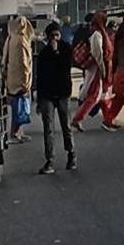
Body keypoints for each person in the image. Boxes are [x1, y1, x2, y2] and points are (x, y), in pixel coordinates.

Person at [36, 22, 77, 174]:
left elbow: (64, 68)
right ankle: (50, 160)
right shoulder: (43, 54)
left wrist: (56, 52)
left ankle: (71, 154)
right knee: (48, 129)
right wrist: (39, 100)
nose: (55, 38)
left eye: (57, 35)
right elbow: (39, 77)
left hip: (62, 94)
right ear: (47, 37)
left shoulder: (66, 49)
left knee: (66, 126)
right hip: (47, 95)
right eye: (52, 36)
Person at [71, 12, 112, 132]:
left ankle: (108, 120)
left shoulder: (99, 33)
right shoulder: (96, 35)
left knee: (104, 96)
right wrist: (103, 69)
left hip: (98, 69)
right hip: (96, 70)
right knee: (94, 96)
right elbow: (97, 54)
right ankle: (77, 119)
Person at [1, 16, 34, 143]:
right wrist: (26, 81)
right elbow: (24, 63)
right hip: (20, 79)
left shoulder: (11, 38)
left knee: (16, 106)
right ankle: (15, 133)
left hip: (11, 78)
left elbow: (5, 58)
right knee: (21, 107)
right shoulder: (22, 41)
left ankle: (19, 132)